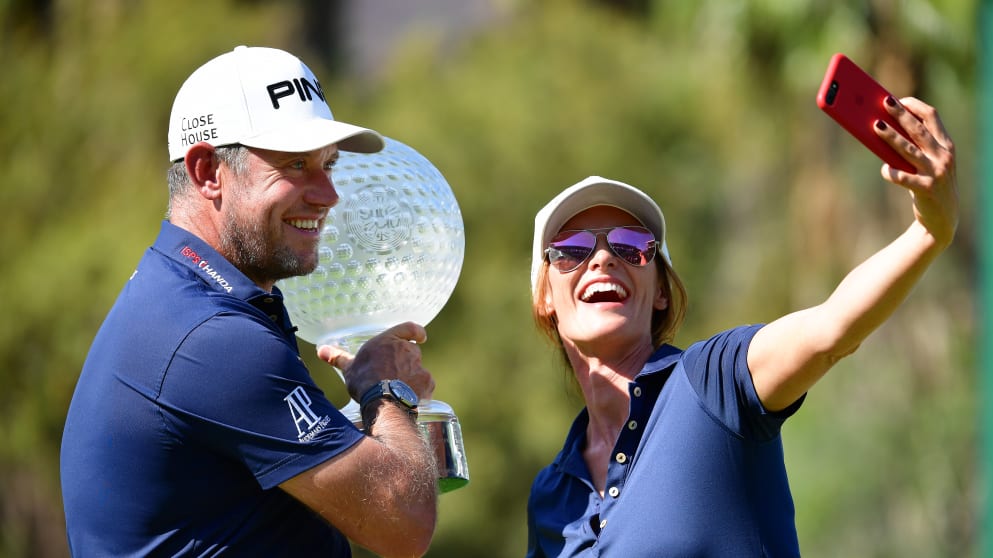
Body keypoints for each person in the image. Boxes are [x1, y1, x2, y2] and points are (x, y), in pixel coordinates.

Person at [526, 97, 957, 557]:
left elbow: (832, 329)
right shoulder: (551, 495)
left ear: (662, 292)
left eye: (632, 245)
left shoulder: (713, 383)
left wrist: (930, 232)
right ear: (545, 297)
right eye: (571, 249)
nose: (603, 257)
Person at [60, 46, 438, 557]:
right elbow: (402, 523)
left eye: (329, 165)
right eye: (296, 165)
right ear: (207, 171)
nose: (328, 194)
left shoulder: (185, 297)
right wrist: (387, 388)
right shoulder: (211, 338)